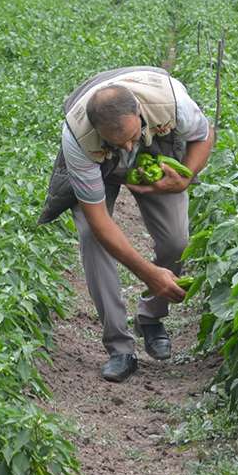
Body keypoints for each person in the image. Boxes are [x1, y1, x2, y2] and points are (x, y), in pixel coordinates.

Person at [38, 66, 214, 383]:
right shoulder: (78, 137)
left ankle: (151, 317)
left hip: (157, 149)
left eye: (133, 138)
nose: (129, 148)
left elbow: (203, 135)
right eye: (119, 143)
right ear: (98, 131)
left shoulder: (171, 102)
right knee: (93, 238)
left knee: (176, 240)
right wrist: (147, 272)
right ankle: (120, 348)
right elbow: (100, 222)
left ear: (139, 112)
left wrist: (184, 178)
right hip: (98, 160)